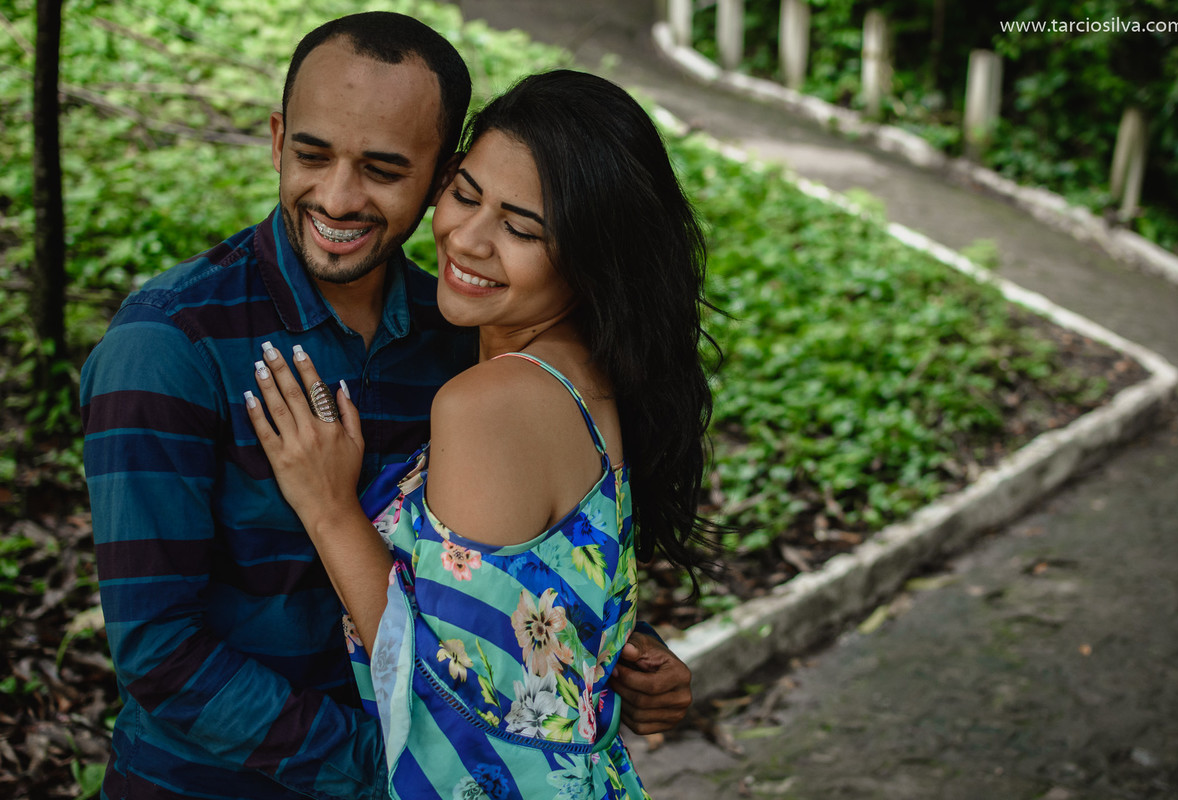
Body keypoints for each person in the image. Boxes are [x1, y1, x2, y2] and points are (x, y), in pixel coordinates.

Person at [80, 14, 691, 800]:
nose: (337, 196)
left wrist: (622, 653)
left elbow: (489, 578)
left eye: (382, 169)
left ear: (441, 173)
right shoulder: (170, 348)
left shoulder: (463, 337)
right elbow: (160, 653)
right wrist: (395, 757)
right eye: (311, 154)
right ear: (276, 140)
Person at [243, 67, 719, 800]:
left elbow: (448, 706)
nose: (467, 239)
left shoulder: (491, 401)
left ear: (594, 258)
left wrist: (330, 508)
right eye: (464, 194)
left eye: (521, 227)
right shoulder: (585, 371)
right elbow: (538, 616)